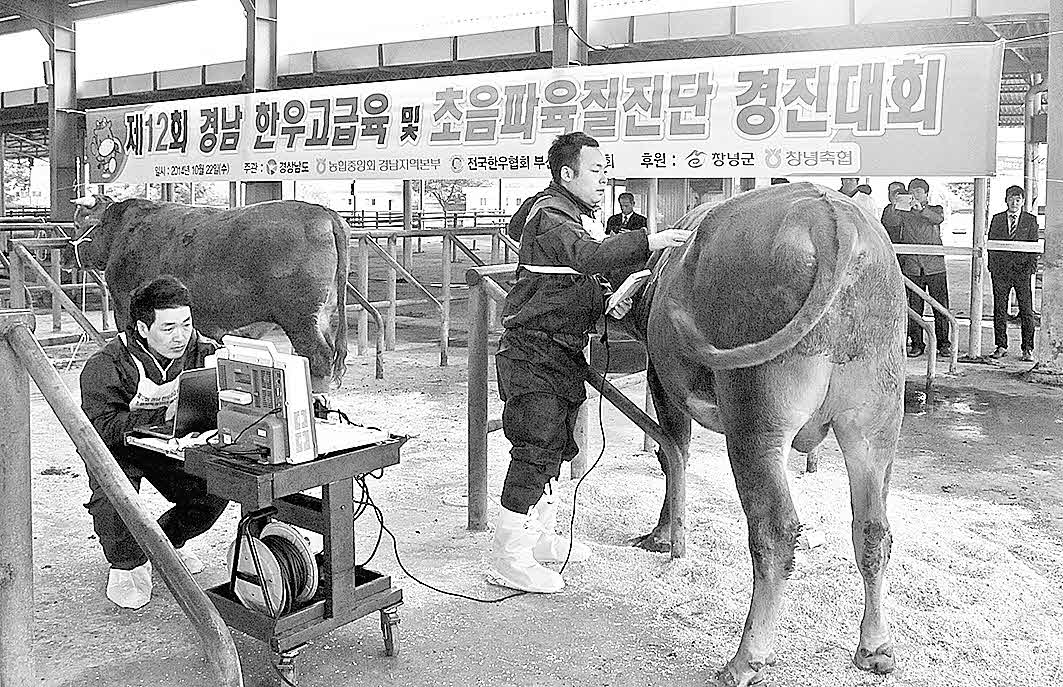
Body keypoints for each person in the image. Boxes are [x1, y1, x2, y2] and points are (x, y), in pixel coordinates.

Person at [492, 132, 691, 593]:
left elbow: (568, 282)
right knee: (535, 447)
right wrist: (650, 240)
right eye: (596, 172)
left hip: (560, 349)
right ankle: (509, 553)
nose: (603, 181)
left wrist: (609, 299)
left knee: (559, 446)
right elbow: (586, 258)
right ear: (567, 174)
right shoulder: (550, 217)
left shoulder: (568, 215)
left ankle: (539, 539)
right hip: (534, 351)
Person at [80, 275, 228, 609]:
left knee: (218, 485)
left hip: (171, 447)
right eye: (168, 328)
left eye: (186, 324)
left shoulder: (203, 350)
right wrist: (161, 420)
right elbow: (101, 428)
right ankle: (127, 564)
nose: (180, 336)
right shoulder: (106, 365)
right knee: (114, 497)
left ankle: (165, 544)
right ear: (143, 329)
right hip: (119, 449)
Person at [884, 178, 950, 358]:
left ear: (926, 194)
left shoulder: (935, 209)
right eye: (912, 192)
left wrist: (922, 210)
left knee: (941, 307)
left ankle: (944, 344)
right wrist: (895, 202)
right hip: (912, 266)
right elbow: (889, 222)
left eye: (919, 192)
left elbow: (938, 218)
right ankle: (917, 343)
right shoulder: (902, 212)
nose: (915, 195)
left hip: (934, 266)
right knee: (914, 308)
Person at [988, 185, 1040, 361]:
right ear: (1006, 200)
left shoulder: (1030, 221)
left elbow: (1034, 247)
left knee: (1026, 310)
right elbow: (991, 245)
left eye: (1018, 199)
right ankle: (1001, 345)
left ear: (1023, 202)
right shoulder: (997, 219)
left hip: (1022, 272)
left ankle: (1027, 348)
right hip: (1001, 272)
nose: (1014, 202)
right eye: (1011, 199)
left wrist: (1031, 269)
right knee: (999, 309)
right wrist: (992, 268)